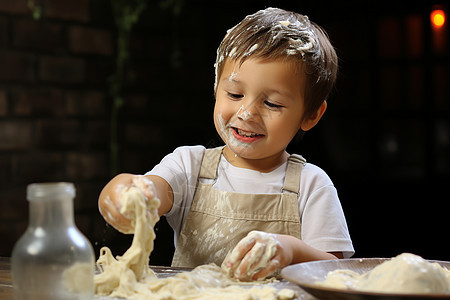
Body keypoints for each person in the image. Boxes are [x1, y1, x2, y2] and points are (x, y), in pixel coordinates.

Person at [98, 7, 354, 281]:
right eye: (234, 94)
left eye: (272, 103)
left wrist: (290, 251)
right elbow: (152, 189)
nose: (246, 113)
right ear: (216, 88)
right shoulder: (190, 167)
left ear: (311, 115)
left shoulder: (310, 185)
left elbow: (334, 273)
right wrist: (124, 195)